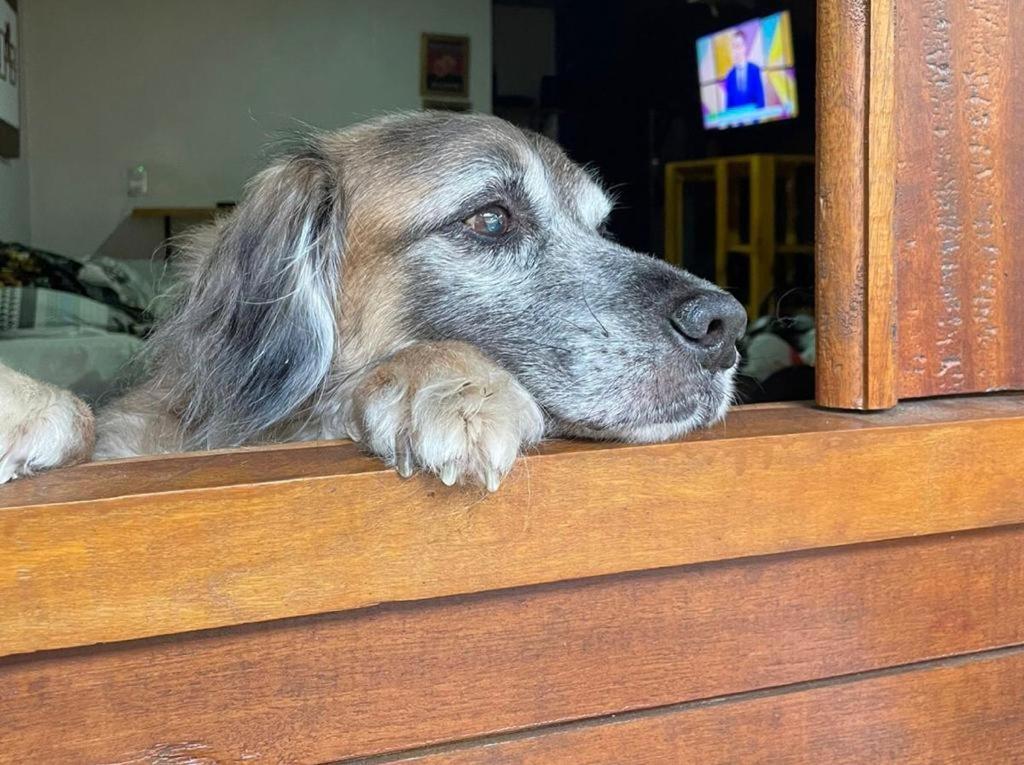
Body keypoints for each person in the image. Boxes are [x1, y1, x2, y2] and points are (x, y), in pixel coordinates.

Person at [724, 30, 765, 110]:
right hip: (737, 121)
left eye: (738, 46)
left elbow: (761, 101)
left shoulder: (754, 70)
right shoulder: (730, 76)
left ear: (744, 47)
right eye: (734, 47)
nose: (736, 51)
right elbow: (728, 107)